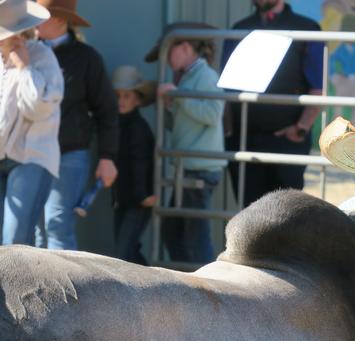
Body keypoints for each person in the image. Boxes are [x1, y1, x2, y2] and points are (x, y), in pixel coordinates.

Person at [221, 0, 324, 207]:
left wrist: (300, 129)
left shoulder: (306, 28)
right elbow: (225, 88)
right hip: (244, 140)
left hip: (287, 140)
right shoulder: (240, 28)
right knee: (248, 216)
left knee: (286, 216)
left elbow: (318, 89)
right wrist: (229, 133)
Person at [35, 0, 119, 250]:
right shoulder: (29, 52)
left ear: (60, 20)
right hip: (32, 152)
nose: (36, 22)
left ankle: (64, 289)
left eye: (42, 16)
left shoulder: (87, 58)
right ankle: (40, 288)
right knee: (38, 228)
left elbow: (106, 110)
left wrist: (107, 157)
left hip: (69, 152)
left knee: (56, 224)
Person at [145, 22, 225, 264]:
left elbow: (213, 113)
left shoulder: (206, 76)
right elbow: (188, 121)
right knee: (175, 232)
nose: (166, 60)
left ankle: (208, 284)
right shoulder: (190, 76)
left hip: (200, 167)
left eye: (169, 51)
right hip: (190, 166)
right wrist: (174, 106)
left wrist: (178, 97)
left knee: (194, 234)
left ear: (185, 47)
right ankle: (191, 279)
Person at [0, 0, 63, 245]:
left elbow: (38, 108)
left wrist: (24, 68)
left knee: (15, 240)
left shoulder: (42, 57)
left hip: (32, 157)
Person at [111, 66, 156, 265]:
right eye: (117, 96)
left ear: (137, 99)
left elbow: (141, 163)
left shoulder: (138, 128)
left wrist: (142, 195)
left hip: (138, 200)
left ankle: (153, 287)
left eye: (126, 96)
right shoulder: (116, 125)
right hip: (123, 198)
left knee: (124, 253)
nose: (121, 101)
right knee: (127, 250)